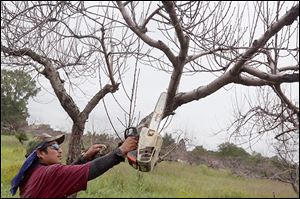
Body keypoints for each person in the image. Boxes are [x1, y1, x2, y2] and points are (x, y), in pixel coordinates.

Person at [10, 132, 138, 198]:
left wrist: (84, 157)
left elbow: (63, 175)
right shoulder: (50, 173)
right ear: (40, 153)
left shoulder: (33, 173)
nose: (60, 150)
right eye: (54, 147)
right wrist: (121, 151)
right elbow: (89, 170)